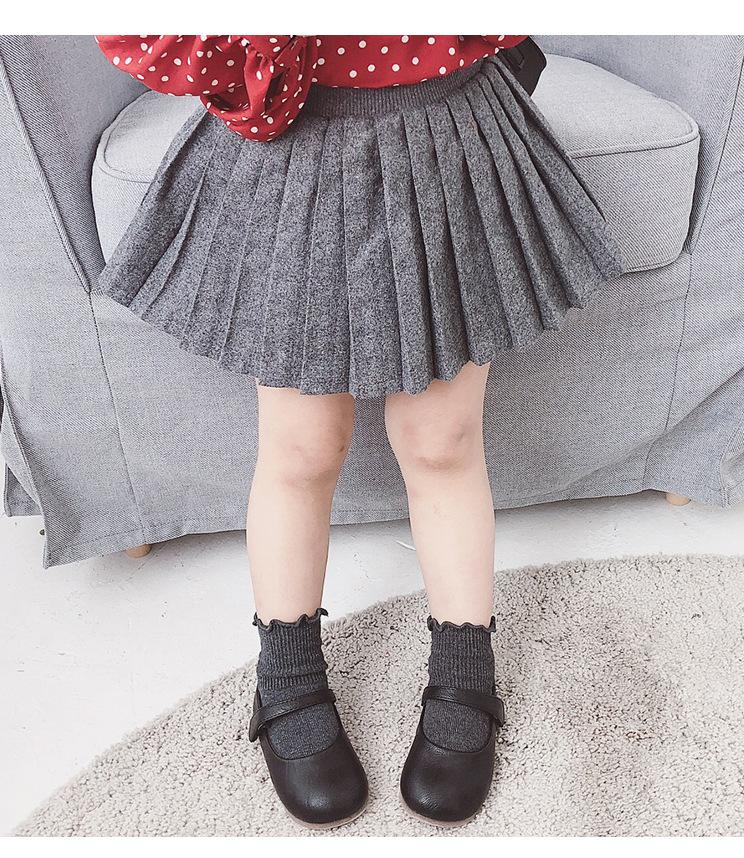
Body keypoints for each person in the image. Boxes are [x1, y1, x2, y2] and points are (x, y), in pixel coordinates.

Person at [96, 34, 625, 829]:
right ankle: (286, 675)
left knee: (443, 440)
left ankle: (464, 666)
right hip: (292, 141)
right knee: (301, 448)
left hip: (447, 126)